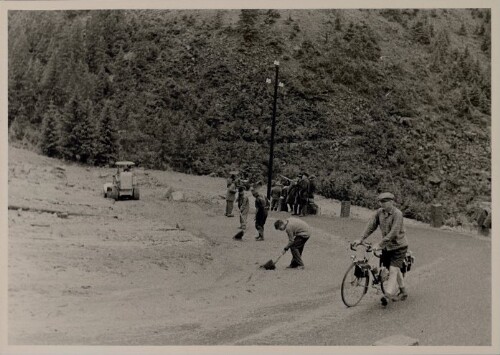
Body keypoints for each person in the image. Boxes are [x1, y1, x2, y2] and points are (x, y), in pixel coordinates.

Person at [353, 192, 409, 306]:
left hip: (399, 246)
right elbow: (371, 226)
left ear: (391, 202)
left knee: (393, 270)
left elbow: (393, 233)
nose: (381, 204)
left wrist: (379, 244)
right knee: (394, 268)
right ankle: (403, 291)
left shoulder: (397, 214)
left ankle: (387, 295)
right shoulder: (380, 212)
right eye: (380, 202)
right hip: (387, 247)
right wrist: (361, 239)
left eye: (384, 202)